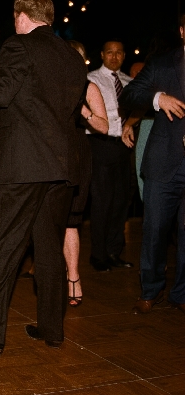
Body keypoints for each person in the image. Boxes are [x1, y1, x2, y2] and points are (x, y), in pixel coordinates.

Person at [0, 0, 86, 356]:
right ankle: (52, 330)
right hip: (61, 166)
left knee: (3, 248)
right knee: (48, 251)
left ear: (21, 16)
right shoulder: (72, 56)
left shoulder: (18, 45)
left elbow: (0, 95)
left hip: (21, 166)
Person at [119, 17, 185, 315]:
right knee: (155, 230)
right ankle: (151, 290)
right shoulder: (161, 63)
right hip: (163, 163)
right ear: (182, 31)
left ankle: (181, 293)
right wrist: (158, 98)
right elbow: (129, 95)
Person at [65, 40, 109, 306]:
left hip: (77, 156)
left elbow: (103, 126)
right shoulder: (49, 86)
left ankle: (73, 276)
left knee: (71, 219)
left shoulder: (88, 87)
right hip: (47, 154)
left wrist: (83, 110)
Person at [87, 40, 134, 272]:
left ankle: (115, 251)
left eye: (118, 53)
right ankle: (98, 255)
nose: (114, 57)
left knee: (121, 201)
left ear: (124, 55)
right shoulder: (92, 79)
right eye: (109, 53)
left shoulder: (129, 82)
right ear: (102, 55)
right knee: (102, 201)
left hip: (124, 146)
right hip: (101, 144)